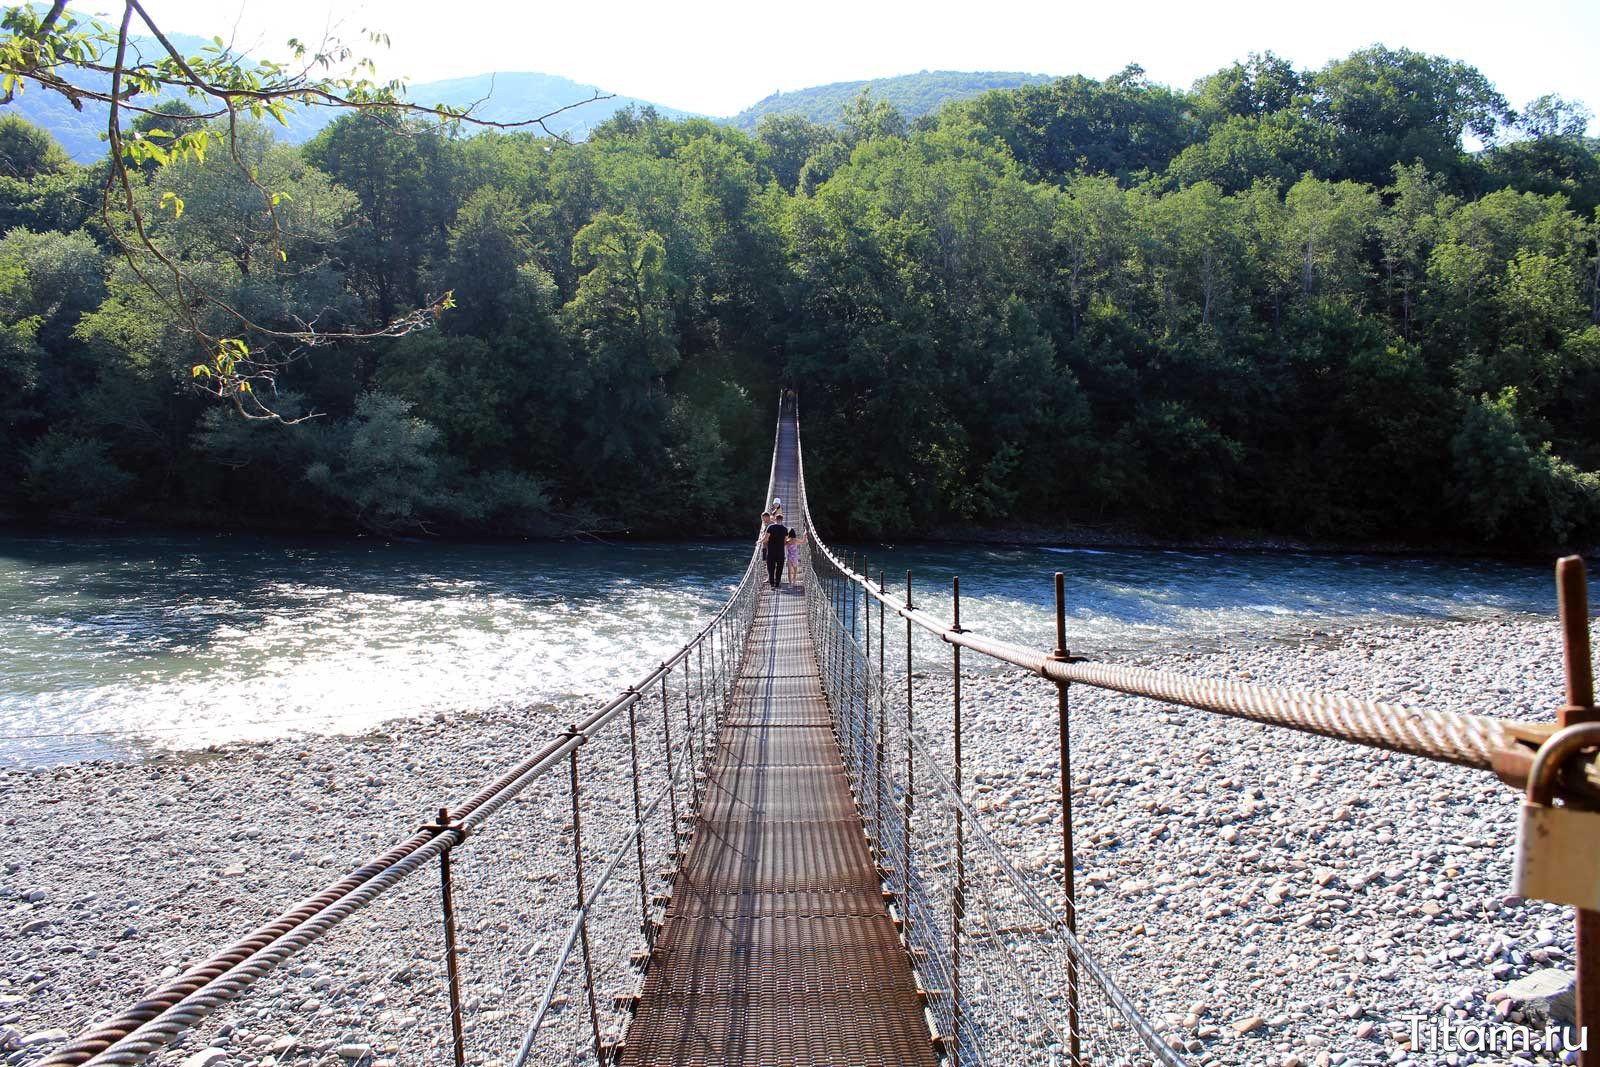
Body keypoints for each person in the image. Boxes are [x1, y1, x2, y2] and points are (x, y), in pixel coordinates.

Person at [763, 513, 788, 589]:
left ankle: (772, 585)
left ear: (775, 519)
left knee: (771, 568)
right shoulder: (785, 529)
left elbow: (766, 539)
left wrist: (760, 541)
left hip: (771, 551)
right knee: (779, 568)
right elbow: (786, 540)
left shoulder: (770, 527)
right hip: (780, 552)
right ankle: (777, 584)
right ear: (782, 520)